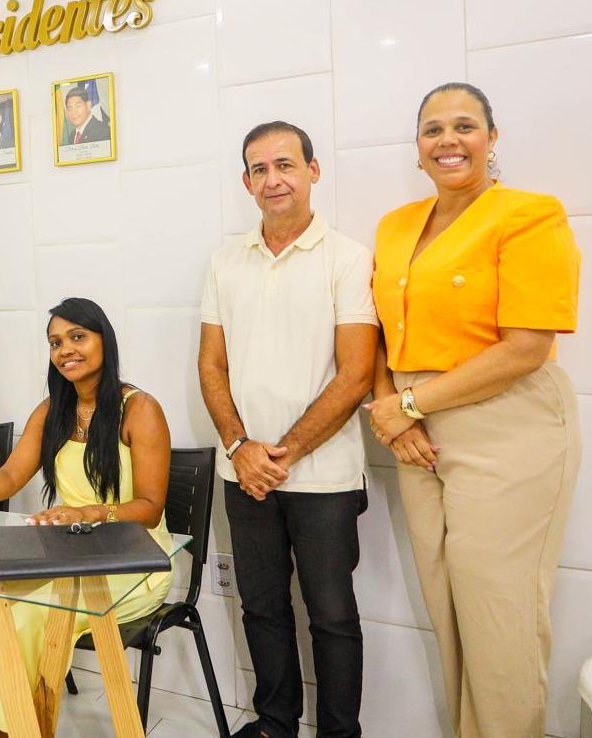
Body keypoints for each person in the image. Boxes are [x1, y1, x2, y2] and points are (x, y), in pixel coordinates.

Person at [366, 82, 582, 738]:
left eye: (464, 126)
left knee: (498, 617)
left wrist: (408, 403)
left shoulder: (529, 213)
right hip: (416, 431)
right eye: (433, 129)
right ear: (417, 147)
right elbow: (382, 331)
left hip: (506, 424)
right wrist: (391, 407)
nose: (448, 140)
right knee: (449, 609)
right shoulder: (396, 225)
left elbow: (526, 348)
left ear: (491, 138)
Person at [198, 121, 378, 738]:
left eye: (285, 165)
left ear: (312, 171)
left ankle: (339, 732)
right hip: (243, 474)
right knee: (261, 607)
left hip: (324, 476)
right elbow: (211, 365)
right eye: (259, 169)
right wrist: (240, 448)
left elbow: (356, 375)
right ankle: (275, 722)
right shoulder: (225, 262)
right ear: (246, 182)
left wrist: (283, 452)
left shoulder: (348, 258)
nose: (272, 179)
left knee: (332, 617)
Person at [0, 297, 173, 738]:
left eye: (78, 337)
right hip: (67, 549)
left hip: (133, 560)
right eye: (56, 342)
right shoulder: (51, 410)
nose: (65, 350)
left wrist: (87, 513)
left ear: (104, 340)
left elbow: (150, 508)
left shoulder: (141, 409)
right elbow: (8, 477)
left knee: (21, 617)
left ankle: (14, 729)